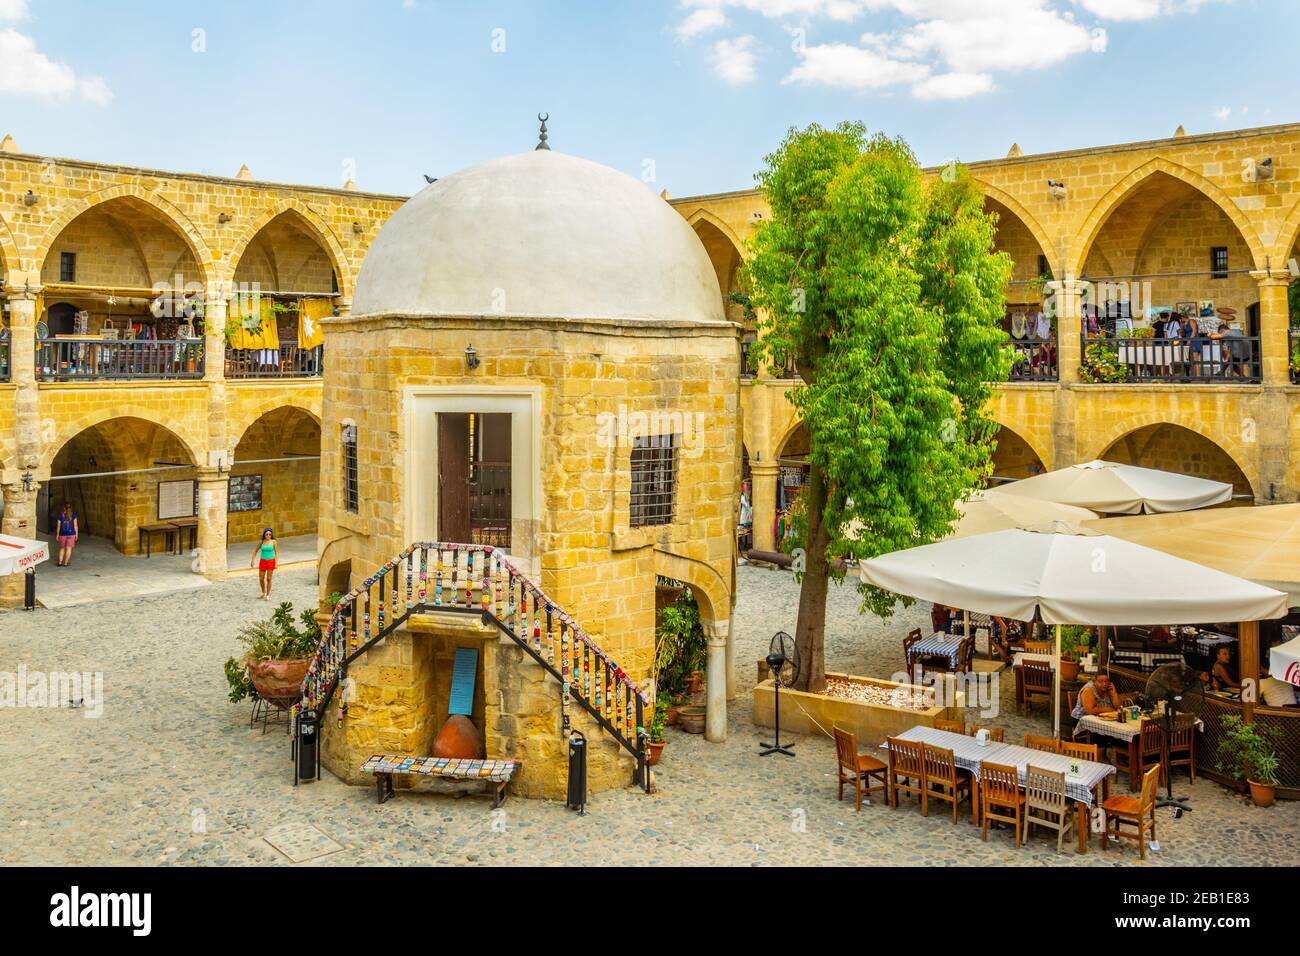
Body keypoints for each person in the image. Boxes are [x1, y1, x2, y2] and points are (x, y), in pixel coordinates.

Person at [250, 527, 277, 601]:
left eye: (270, 534)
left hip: (271, 561)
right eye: (267, 534)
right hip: (263, 561)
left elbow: (276, 553)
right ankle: (263, 592)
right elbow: (255, 551)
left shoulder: (274, 542)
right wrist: (252, 560)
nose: (268, 535)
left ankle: (268, 595)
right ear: (264, 535)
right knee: (261, 578)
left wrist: (276, 563)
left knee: (269, 578)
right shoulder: (261, 542)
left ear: (271, 535)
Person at [55, 503, 78, 567]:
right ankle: (65, 563)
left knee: (62, 548)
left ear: (64, 508)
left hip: (62, 534)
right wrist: (76, 534)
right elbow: (75, 526)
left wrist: (57, 535)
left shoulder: (60, 515)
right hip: (71, 534)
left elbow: (58, 526)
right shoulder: (73, 515)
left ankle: (60, 562)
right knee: (69, 548)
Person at [737, 488, 753, 553]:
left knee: (744, 526)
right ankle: (740, 542)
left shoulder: (746, 496)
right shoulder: (743, 497)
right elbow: (746, 505)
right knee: (741, 527)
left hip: (745, 515)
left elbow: (747, 506)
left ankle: (741, 542)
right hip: (743, 514)